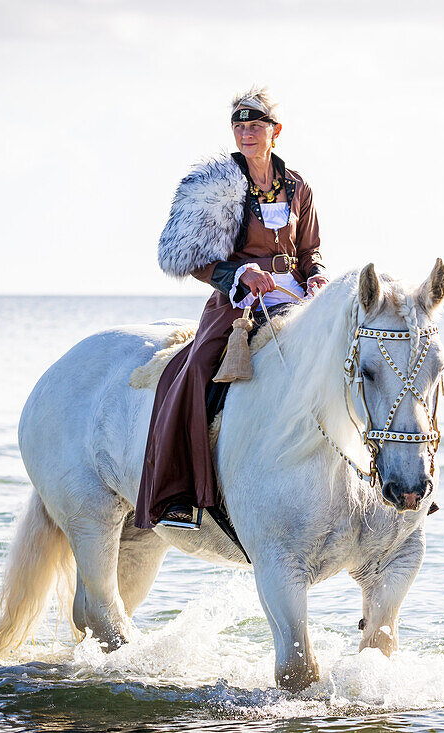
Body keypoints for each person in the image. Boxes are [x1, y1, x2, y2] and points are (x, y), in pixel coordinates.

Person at [135, 86, 328, 530]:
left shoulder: (298, 186)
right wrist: (240, 275)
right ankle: (179, 492)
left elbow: (312, 251)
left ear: (275, 132)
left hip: (296, 295)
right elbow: (195, 261)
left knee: (350, 355)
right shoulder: (218, 186)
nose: (246, 134)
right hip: (237, 300)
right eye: (239, 127)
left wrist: (316, 275)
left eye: (255, 126)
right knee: (195, 368)